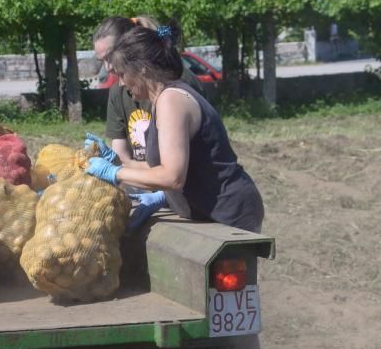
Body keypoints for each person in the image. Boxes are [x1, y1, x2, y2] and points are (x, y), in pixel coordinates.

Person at [85, 22, 265, 233]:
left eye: (123, 74)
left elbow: (172, 177)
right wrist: (116, 161)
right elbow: (157, 168)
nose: (122, 84)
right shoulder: (161, 99)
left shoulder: (171, 100)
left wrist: (115, 173)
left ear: (142, 69)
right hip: (206, 212)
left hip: (229, 213)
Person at [92, 16, 206, 164]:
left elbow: (172, 175)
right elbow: (122, 156)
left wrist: (117, 173)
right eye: (102, 61)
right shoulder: (118, 91)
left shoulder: (173, 86)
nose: (108, 67)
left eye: (110, 56)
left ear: (130, 44)